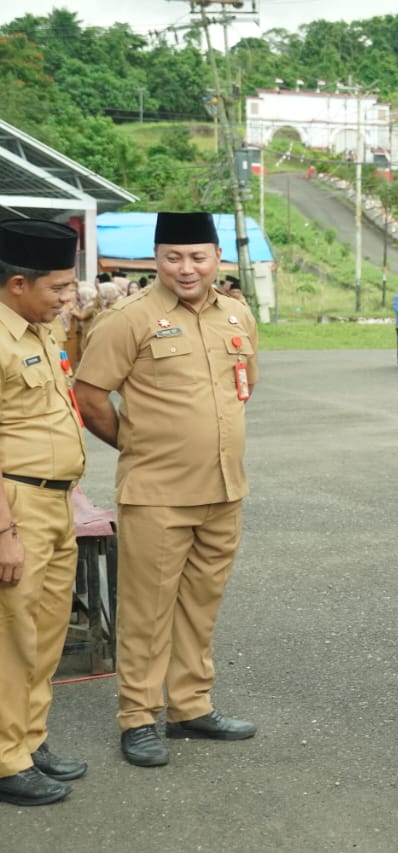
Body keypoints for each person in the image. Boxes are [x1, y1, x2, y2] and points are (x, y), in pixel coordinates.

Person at [76, 211, 260, 769]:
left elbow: (245, 382)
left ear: (216, 258)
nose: (187, 268)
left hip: (224, 490)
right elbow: (88, 396)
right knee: (147, 612)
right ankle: (137, 717)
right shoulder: (128, 319)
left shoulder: (236, 312)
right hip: (157, 494)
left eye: (198, 257)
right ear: (156, 259)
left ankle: (189, 706)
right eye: (173, 257)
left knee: (201, 606)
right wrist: (138, 446)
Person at [0, 219, 88, 807]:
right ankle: (6, 760)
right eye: (57, 287)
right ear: (16, 284)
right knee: (12, 639)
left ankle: (30, 740)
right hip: (17, 505)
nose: (67, 298)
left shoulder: (41, 328)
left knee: (47, 633)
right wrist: (4, 532)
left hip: (57, 502)